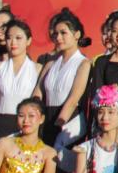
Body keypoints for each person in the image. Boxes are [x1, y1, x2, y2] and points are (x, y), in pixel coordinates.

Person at [35, 10, 91, 155]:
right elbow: (37, 94)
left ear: (77, 34)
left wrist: (59, 124)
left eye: (63, 33)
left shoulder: (83, 63)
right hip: (46, 118)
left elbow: (74, 98)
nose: (58, 37)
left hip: (69, 120)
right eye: (55, 34)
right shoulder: (50, 64)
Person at [0, 20, 40, 149]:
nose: (13, 42)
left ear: (28, 41)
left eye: (18, 38)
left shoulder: (38, 69)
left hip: (25, 124)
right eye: (9, 38)